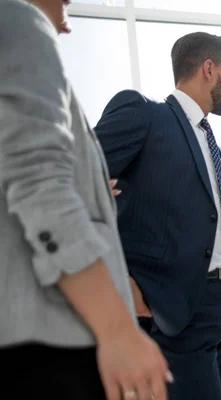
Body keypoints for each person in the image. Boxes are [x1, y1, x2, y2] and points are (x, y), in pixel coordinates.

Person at [0, 1, 171, 400]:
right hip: (56, 337)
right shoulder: (20, 22)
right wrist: (116, 328)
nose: (68, 16)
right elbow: (40, 183)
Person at [94, 32, 221, 400]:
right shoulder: (145, 114)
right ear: (208, 69)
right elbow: (74, 179)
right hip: (179, 306)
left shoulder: (210, 143)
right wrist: (119, 278)